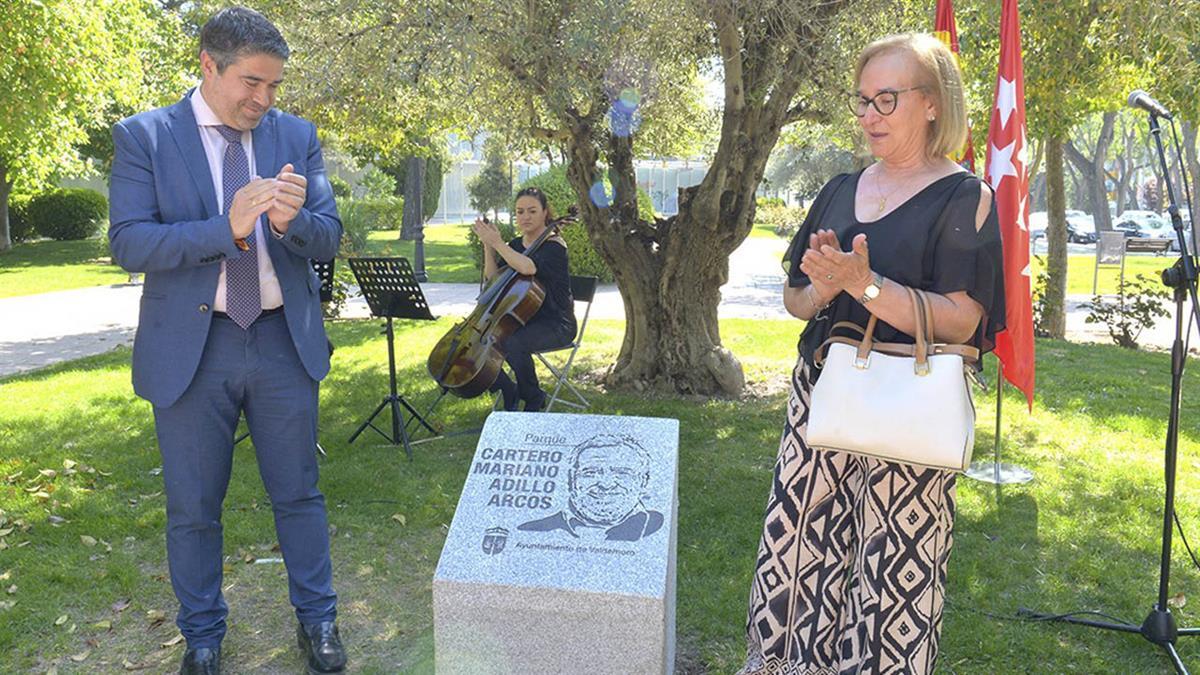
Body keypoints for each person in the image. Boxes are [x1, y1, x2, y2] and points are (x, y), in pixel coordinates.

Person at [738, 33, 1006, 675]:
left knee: (891, 573)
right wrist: (825, 286)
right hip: (821, 393)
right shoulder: (838, 188)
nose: (869, 115)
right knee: (798, 557)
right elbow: (798, 301)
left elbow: (964, 318)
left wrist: (866, 284)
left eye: (886, 99)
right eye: (862, 101)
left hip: (910, 402)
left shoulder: (964, 197)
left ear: (934, 103)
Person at [108, 7, 346, 674]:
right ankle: (204, 637)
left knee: (299, 492)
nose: (264, 100)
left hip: (281, 342)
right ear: (208, 65)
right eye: (252, 83)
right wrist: (226, 229)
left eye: (274, 86)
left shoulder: (295, 135)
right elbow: (128, 242)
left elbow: (328, 233)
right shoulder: (146, 137)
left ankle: (319, 622)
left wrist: (296, 222)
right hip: (194, 348)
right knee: (192, 505)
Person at [473, 187, 577, 412]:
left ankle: (533, 396)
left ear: (545, 212)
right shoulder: (516, 246)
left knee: (512, 343)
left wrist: (498, 243)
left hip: (557, 323)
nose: (525, 217)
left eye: (531, 211)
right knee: (485, 340)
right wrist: (488, 245)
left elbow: (528, 267)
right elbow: (493, 277)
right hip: (523, 319)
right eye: (520, 212)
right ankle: (507, 389)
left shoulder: (555, 246)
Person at [519, 434, 663, 541]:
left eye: (622, 473)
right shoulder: (531, 531)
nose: (606, 484)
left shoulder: (657, 527)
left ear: (643, 481)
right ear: (571, 480)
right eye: (591, 473)